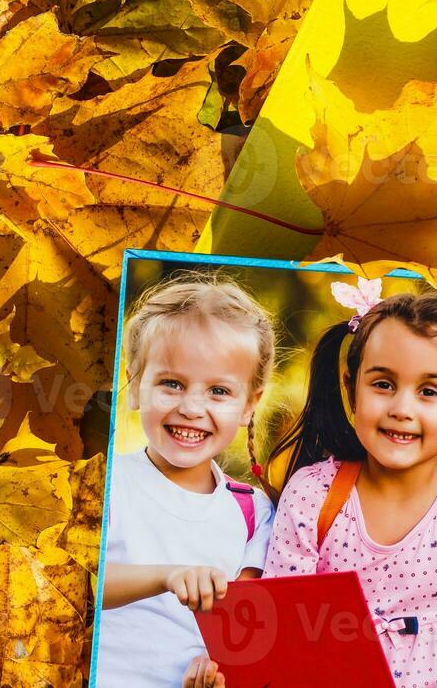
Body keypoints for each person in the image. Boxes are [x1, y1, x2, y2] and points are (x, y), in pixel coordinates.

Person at [261, 279, 437, 688]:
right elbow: (282, 620)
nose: (402, 409)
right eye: (383, 384)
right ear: (352, 388)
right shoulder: (313, 495)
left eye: (428, 391)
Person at [97, 274, 277, 688]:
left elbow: (244, 629)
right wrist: (167, 575)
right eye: (171, 384)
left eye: (218, 391)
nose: (192, 407)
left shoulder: (253, 511)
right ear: (135, 386)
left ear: (250, 404)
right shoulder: (106, 483)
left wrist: (219, 669)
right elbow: (73, 583)